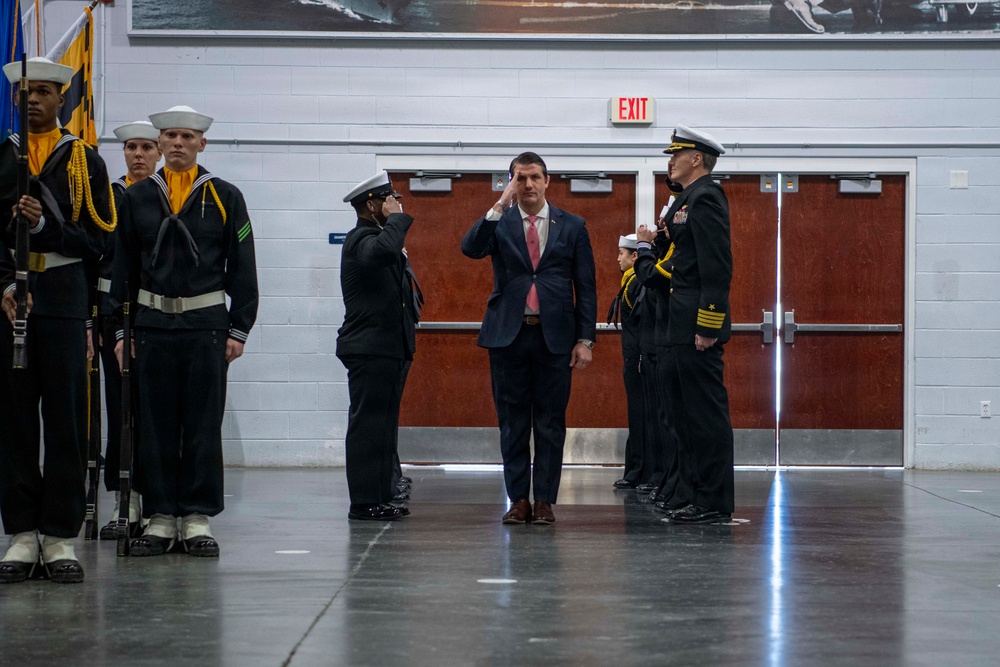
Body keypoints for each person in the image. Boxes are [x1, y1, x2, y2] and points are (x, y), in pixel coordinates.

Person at [112, 106, 258, 556]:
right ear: (159, 144)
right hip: (152, 326)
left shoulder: (226, 196)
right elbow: (123, 268)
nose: (178, 143)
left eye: (187, 137)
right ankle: (159, 516)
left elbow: (243, 266)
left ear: (202, 144)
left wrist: (239, 327)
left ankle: (196, 516)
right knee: (153, 424)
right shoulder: (137, 197)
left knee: (201, 424)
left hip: (206, 327)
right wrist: (121, 332)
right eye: (170, 136)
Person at [0, 57, 114, 583]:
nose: (33, 100)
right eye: (25, 92)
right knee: (14, 419)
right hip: (11, 303)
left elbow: (99, 240)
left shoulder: (84, 161)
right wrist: (5, 285)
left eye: (43, 92)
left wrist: (46, 224)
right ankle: (22, 533)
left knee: (66, 420)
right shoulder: (4, 156)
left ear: (62, 99)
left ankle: (59, 534)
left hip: (65, 300)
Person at [461, 152, 597, 525]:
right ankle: (519, 499)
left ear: (547, 181)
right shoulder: (500, 223)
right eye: (520, 178)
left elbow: (586, 287)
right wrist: (499, 205)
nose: (528, 185)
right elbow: (470, 248)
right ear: (511, 183)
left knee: (551, 423)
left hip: (556, 339)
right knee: (513, 422)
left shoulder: (573, 225)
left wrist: (585, 339)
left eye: (535, 177)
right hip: (509, 337)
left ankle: (545, 502)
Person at [636, 125, 734, 525]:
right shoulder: (687, 199)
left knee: (703, 417)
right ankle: (692, 494)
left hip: (696, 325)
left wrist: (708, 325)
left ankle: (713, 500)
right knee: (683, 418)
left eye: (676, 154)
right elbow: (682, 258)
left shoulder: (706, 196)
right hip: (678, 324)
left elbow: (717, 266)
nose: (670, 161)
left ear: (696, 158)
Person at [336, 171, 419, 521]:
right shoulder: (361, 239)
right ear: (372, 205)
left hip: (387, 347)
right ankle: (364, 501)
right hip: (370, 348)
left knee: (383, 426)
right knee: (368, 427)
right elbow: (383, 252)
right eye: (390, 199)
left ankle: (383, 493)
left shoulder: (376, 237)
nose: (397, 204)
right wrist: (397, 219)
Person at [97, 121, 162, 541]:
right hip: (112, 315)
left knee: (153, 411)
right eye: (131, 147)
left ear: (159, 153)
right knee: (120, 408)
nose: (138, 154)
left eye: (146, 147)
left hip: (153, 315)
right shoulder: (107, 198)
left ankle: (155, 501)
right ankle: (126, 500)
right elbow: (94, 260)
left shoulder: (166, 196)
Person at [608, 234, 644, 489]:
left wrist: (640, 357)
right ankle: (635, 469)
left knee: (641, 416)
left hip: (638, 358)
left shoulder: (637, 282)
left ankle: (639, 471)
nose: (618, 258)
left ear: (635, 256)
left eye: (622, 253)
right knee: (636, 415)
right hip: (633, 356)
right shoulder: (630, 281)